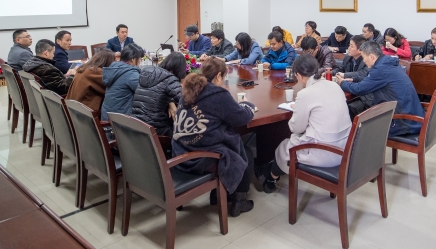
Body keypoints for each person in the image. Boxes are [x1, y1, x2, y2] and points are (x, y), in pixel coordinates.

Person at [255, 54, 352, 193]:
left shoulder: (305, 94)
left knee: (285, 145)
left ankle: (270, 177)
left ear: (298, 75)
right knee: (292, 143)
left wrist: (298, 110)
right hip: (344, 148)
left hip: (323, 152)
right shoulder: (334, 85)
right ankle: (268, 174)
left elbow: (296, 128)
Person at [172, 58, 256, 217]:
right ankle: (239, 201)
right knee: (246, 153)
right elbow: (242, 117)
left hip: (181, 152)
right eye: (224, 77)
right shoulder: (218, 94)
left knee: (229, 139)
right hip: (200, 159)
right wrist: (248, 105)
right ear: (218, 76)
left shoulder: (189, 89)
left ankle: (220, 194)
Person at [339, 41, 425, 134]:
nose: (363, 61)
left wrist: (342, 83)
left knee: (360, 128)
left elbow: (359, 89)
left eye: (363, 57)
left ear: (371, 57)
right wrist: (354, 79)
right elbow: (373, 79)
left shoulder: (380, 69)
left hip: (402, 122)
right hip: (413, 115)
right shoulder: (388, 63)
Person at [130, 52, 186, 136]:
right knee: (180, 134)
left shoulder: (146, 72)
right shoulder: (170, 78)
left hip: (136, 123)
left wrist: (170, 102)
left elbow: (157, 91)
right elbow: (184, 99)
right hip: (154, 128)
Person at [333, 35, 373, 120]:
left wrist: (345, 75)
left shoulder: (367, 59)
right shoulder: (348, 57)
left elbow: (363, 73)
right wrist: (330, 72)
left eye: (351, 46)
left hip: (362, 93)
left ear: (359, 50)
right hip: (348, 88)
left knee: (347, 107)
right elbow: (341, 69)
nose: (348, 48)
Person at [100, 43, 144, 120]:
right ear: (133, 59)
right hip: (119, 122)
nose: (140, 62)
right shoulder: (131, 74)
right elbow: (145, 93)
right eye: (140, 59)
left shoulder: (114, 68)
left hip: (106, 118)